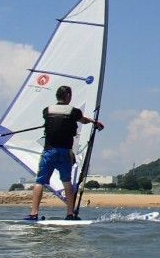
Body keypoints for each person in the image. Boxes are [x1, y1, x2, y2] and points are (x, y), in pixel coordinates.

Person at [26, 85, 104, 221]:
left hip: (49, 151)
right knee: (67, 182)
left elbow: (52, 120)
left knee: (40, 182)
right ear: (67, 96)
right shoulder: (74, 112)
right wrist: (94, 122)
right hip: (64, 152)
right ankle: (70, 214)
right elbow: (83, 120)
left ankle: (34, 213)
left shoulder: (47, 110)